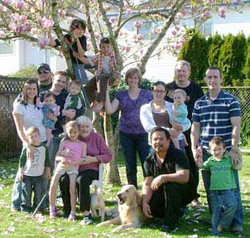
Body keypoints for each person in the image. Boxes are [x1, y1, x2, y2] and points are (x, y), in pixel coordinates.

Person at [191, 66, 243, 235]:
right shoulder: (199, 103)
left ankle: (237, 222)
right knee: (212, 190)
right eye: (209, 77)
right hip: (207, 152)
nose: (212, 80)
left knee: (231, 188)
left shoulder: (231, 101)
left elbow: (236, 126)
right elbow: (196, 127)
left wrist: (234, 149)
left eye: (215, 77)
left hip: (226, 152)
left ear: (221, 79)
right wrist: (194, 147)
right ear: (205, 80)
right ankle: (218, 221)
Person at [105, 68, 153, 188]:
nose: (133, 80)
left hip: (144, 134)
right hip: (126, 134)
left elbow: (156, 110)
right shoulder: (121, 95)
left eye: (135, 78)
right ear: (127, 79)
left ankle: (149, 193)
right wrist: (106, 92)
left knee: (146, 164)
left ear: (139, 79)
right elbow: (110, 110)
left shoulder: (147, 94)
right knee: (130, 166)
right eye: (130, 78)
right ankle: (132, 193)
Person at [142, 127, 196, 233]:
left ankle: (171, 222)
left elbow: (184, 177)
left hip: (184, 190)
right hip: (163, 192)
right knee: (152, 210)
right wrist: (145, 202)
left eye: (161, 139)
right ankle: (174, 212)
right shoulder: (148, 160)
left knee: (170, 184)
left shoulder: (178, 155)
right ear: (150, 142)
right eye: (155, 139)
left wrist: (164, 177)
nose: (158, 142)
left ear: (168, 141)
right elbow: (148, 183)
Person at [59, 116, 112, 224]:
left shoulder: (97, 137)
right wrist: (64, 154)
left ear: (91, 127)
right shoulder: (72, 137)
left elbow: (108, 155)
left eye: (87, 127)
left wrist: (93, 159)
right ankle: (68, 210)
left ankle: (86, 213)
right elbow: (61, 151)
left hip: (90, 168)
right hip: (74, 167)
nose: (84, 129)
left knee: (82, 179)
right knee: (64, 179)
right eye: (81, 127)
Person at [165, 60, 204, 203]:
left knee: (192, 162)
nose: (181, 73)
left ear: (188, 72)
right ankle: (176, 194)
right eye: (179, 71)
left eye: (184, 71)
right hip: (173, 130)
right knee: (175, 161)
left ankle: (193, 195)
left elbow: (201, 109)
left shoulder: (196, 89)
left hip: (191, 129)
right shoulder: (169, 88)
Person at [11, 79, 48, 211]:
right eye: (29, 89)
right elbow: (20, 130)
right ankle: (17, 203)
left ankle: (41, 203)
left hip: (43, 142)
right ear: (24, 90)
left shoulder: (39, 105)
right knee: (23, 173)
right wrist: (28, 145)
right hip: (29, 143)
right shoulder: (19, 107)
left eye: (34, 89)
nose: (32, 91)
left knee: (41, 173)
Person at [196, 137, 240, 236]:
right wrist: (199, 160)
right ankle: (215, 230)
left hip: (227, 189)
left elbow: (238, 167)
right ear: (210, 151)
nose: (217, 152)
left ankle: (222, 224)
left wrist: (238, 155)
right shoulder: (210, 161)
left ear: (224, 149)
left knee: (232, 205)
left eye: (219, 149)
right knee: (216, 210)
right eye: (214, 150)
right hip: (214, 190)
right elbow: (203, 167)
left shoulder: (228, 160)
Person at [40, 71, 79, 172]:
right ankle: (46, 187)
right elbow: (42, 113)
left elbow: (79, 109)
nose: (60, 84)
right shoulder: (44, 95)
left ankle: (60, 187)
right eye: (58, 80)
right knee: (47, 165)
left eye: (63, 82)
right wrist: (64, 112)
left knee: (63, 165)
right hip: (46, 134)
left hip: (63, 134)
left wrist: (74, 112)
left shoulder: (68, 95)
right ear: (53, 78)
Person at [49, 121, 86, 221]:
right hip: (62, 164)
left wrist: (74, 163)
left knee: (72, 188)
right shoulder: (64, 142)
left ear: (78, 132)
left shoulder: (82, 144)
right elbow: (57, 156)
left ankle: (73, 212)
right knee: (53, 184)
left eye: (75, 132)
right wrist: (63, 158)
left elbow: (83, 159)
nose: (73, 135)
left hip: (73, 166)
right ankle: (52, 208)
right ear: (67, 132)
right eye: (70, 132)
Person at [140, 81, 188, 151]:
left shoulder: (172, 106)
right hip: (156, 144)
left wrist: (180, 129)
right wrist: (168, 131)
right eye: (156, 91)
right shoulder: (145, 108)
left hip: (175, 142)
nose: (159, 93)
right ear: (152, 91)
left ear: (165, 93)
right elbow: (148, 127)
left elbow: (183, 121)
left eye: (162, 91)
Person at [18, 127, 51, 213]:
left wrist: (47, 171)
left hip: (39, 175)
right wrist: (21, 172)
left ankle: (38, 208)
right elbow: (22, 161)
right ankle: (26, 208)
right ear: (28, 138)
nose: (34, 138)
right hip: (27, 175)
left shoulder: (44, 148)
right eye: (31, 137)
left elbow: (47, 161)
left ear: (39, 136)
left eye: (35, 136)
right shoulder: (26, 148)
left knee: (39, 192)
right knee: (26, 192)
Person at [82, 37, 119, 112]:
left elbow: (117, 69)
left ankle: (100, 101)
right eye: (103, 47)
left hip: (110, 75)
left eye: (108, 47)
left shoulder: (113, 56)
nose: (106, 49)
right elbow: (89, 61)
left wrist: (116, 79)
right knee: (88, 86)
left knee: (101, 77)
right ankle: (88, 102)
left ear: (111, 47)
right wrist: (80, 57)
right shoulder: (99, 55)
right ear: (100, 48)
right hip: (100, 77)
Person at [50, 19, 88, 84]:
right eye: (78, 29)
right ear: (72, 29)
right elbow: (52, 43)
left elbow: (81, 54)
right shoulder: (66, 37)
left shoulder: (83, 38)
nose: (80, 31)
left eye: (82, 29)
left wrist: (77, 40)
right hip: (76, 63)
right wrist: (48, 31)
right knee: (80, 80)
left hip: (83, 60)